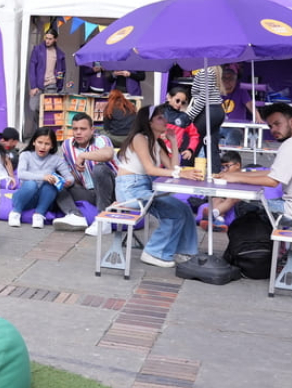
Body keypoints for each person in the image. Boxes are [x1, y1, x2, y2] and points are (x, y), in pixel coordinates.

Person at [214, 103, 292, 231]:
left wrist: (236, 178)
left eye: (277, 124)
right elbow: (273, 172)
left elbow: (272, 181)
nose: (273, 130)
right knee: (257, 201)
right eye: (270, 126)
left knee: (243, 204)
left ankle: (257, 242)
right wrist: (235, 175)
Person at [115, 106, 203, 268]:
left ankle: (185, 252)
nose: (165, 120)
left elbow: (173, 167)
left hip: (144, 187)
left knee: (183, 208)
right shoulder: (139, 138)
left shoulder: (156, 143)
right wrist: (180, 173)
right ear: (149, 122)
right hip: (130, 189)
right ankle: (154, 252)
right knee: (174, 213)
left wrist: (174, 142)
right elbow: (151, 169)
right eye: (160, 118)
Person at [51, 112, 118, 230]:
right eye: (75, 129)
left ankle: (103, 220)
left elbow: (108, 154)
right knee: (57, 182)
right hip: (89, 192)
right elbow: (72, 175)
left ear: (92, 130)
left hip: (111, 193)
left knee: (99, 169)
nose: (78, 132)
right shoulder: (67, 145)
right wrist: (65, 179)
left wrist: (83, 156)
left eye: (83, 129)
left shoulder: (101, 140)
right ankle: (75, 215)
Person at [9, 127, 73, 229]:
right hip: (25, 197)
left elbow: (69, 177)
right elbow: (21, 174)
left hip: (44, 199)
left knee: (51, 184)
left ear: (52, 145)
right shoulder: (25, 155)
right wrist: (43, 177)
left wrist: (68, 182)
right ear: (34, 142)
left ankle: (39, 215)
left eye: (47, 144)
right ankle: (16, 212)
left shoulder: (56, 159)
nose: (43, 147)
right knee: (31, 184)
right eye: (40, 142)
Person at [27, 30, 66, 136]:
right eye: (46, 38)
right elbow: (32, 68)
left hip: (52, 84)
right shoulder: (37, 50)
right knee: (33, 107)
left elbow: (62, 71)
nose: (47, 41)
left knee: (49, 110)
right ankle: (38, 130)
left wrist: (59, 85)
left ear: (55, 39)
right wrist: (33, 86)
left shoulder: (60, 53)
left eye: (50, 39)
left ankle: (45, 134)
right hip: (38, 85)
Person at [185, 65, 224, 161]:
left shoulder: (205, 72)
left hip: (208, 110)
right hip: (217, 110)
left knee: (192, 140)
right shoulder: (214, 71)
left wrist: (189, 116)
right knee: (211, 145)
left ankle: (186, 165)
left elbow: (203, 98)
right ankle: (214, 169)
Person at [218, 66, 257, 147]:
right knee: (207, 135)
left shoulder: (241, 90)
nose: (227, 81)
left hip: (235, 128)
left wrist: (258, 117)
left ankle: (227, 152)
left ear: (235, 80)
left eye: (230, 78)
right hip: (218, 126)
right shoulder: (216, 91)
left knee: (234, 134)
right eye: (224, 78)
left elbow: (250, 105)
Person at [164, 86, 201, 164]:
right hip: (156, 154)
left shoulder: (184, 118)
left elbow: (194, 135)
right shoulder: (156, 113)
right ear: (169, 97)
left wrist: (190, 149)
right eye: (177, 100)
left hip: (173, 157)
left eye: (183, 102)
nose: (179, 104)